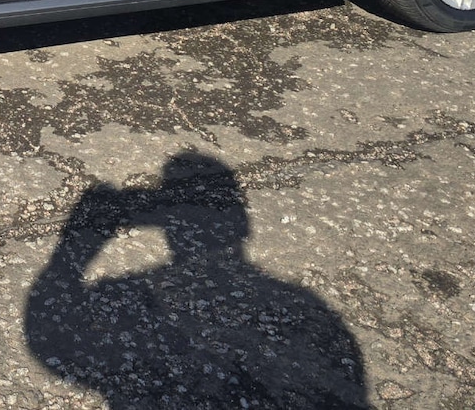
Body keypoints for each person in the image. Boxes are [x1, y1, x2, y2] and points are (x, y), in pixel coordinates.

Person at [25, 151, 370, 408]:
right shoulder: (309, 312)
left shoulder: (130, 295)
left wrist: (77, 247)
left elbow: (53, 342)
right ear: (243, 225)